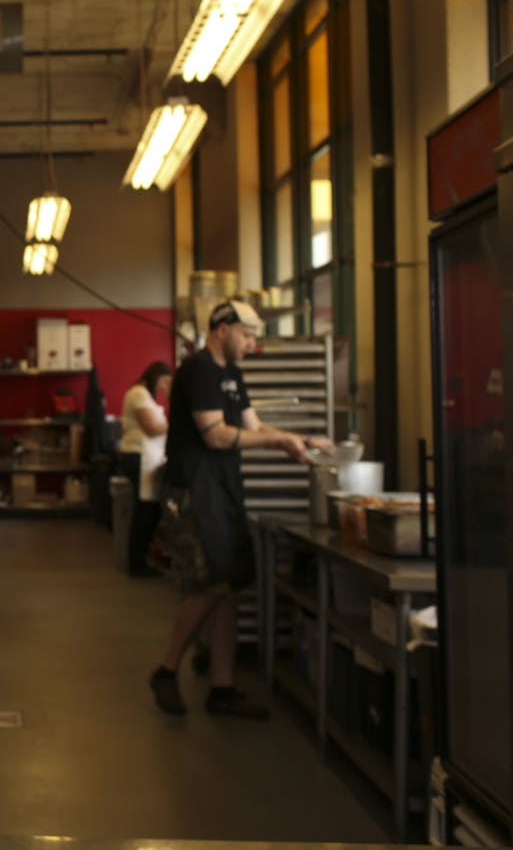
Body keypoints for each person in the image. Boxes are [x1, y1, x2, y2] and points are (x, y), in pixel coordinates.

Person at [147, 300, 333, 719]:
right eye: (247, 335)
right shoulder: (198, 371)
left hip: (225, 488)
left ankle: (223, 687)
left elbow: (251, 427)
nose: (253, 343)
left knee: (229, 581)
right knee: (210, 583)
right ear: (221, 330)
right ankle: (166, 669)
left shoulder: (232, 374)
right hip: (195, 490)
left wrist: (300, 439)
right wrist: (279, 443)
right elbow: (214, 436)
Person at [117, 361, 172, 577]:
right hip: (138, 455)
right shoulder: (139, 393)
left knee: (148, 510)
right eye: (165, 382)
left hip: (146, 457)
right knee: (144, 512)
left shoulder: (145, 395)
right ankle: (137, 563)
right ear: (157, 376)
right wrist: (179, 423)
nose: (164, 387)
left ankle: (142, 560)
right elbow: (151, 428)